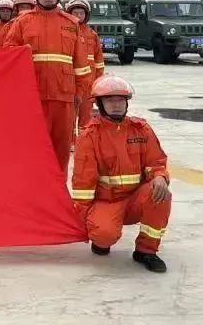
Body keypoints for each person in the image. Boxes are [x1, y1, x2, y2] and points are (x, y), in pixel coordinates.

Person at [71, 74, 171, 273]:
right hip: (106, 202)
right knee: (104, 236)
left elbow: (156, 161)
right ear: (99, 104)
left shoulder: (141, 129)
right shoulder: (90, 135)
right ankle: (100, 238)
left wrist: (160, 176)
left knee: (161, 194)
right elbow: (83, 182)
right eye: (110, 100)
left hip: (135, 198)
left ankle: (146, 251)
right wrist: (82, 219)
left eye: (120, 100)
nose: (116, 105)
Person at [4, 0, 90, 174]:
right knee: (32, 146)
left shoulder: (71, 23)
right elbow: (9, 56)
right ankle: (33, 187)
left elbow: (81, 64)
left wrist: (79, 93)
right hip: (33, 97)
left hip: (64, 98)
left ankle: (58, 187)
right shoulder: (23, 22)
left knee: (61, 147)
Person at [66, 0, 105, 137]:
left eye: (81, 13)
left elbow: (99, 61)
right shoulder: (65, 32)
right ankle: (70, 141)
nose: (78, 16)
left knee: (86, 117)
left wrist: (98, 83)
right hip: (70, 83)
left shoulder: (92, 35)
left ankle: (84, 141)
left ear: (86, 15)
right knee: (69, 116)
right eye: (75, 13)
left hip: (88, 85)